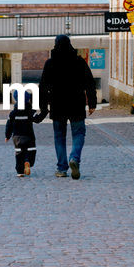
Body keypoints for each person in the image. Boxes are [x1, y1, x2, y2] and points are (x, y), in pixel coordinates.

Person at [38, 34, 97, 179]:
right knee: (79, 134)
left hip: (58, 105)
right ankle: (74, 158)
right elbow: (89, 82)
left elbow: (43, 87)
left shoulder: (50, 63)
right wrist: (92, 103)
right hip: (76, 104)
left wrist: (44, 108)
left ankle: (62, 168)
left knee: (59, 137)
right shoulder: (79, 62)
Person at [4, 89, 46, 177]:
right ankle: (28, 162)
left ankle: (20, 172)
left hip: (17, 137)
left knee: (19, 153)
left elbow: (9, 125)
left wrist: (7, 136)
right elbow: (37, 119)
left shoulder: (13, 113)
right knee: (31, 151)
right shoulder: (30, 112)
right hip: (29, 136)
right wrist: (44, 112)